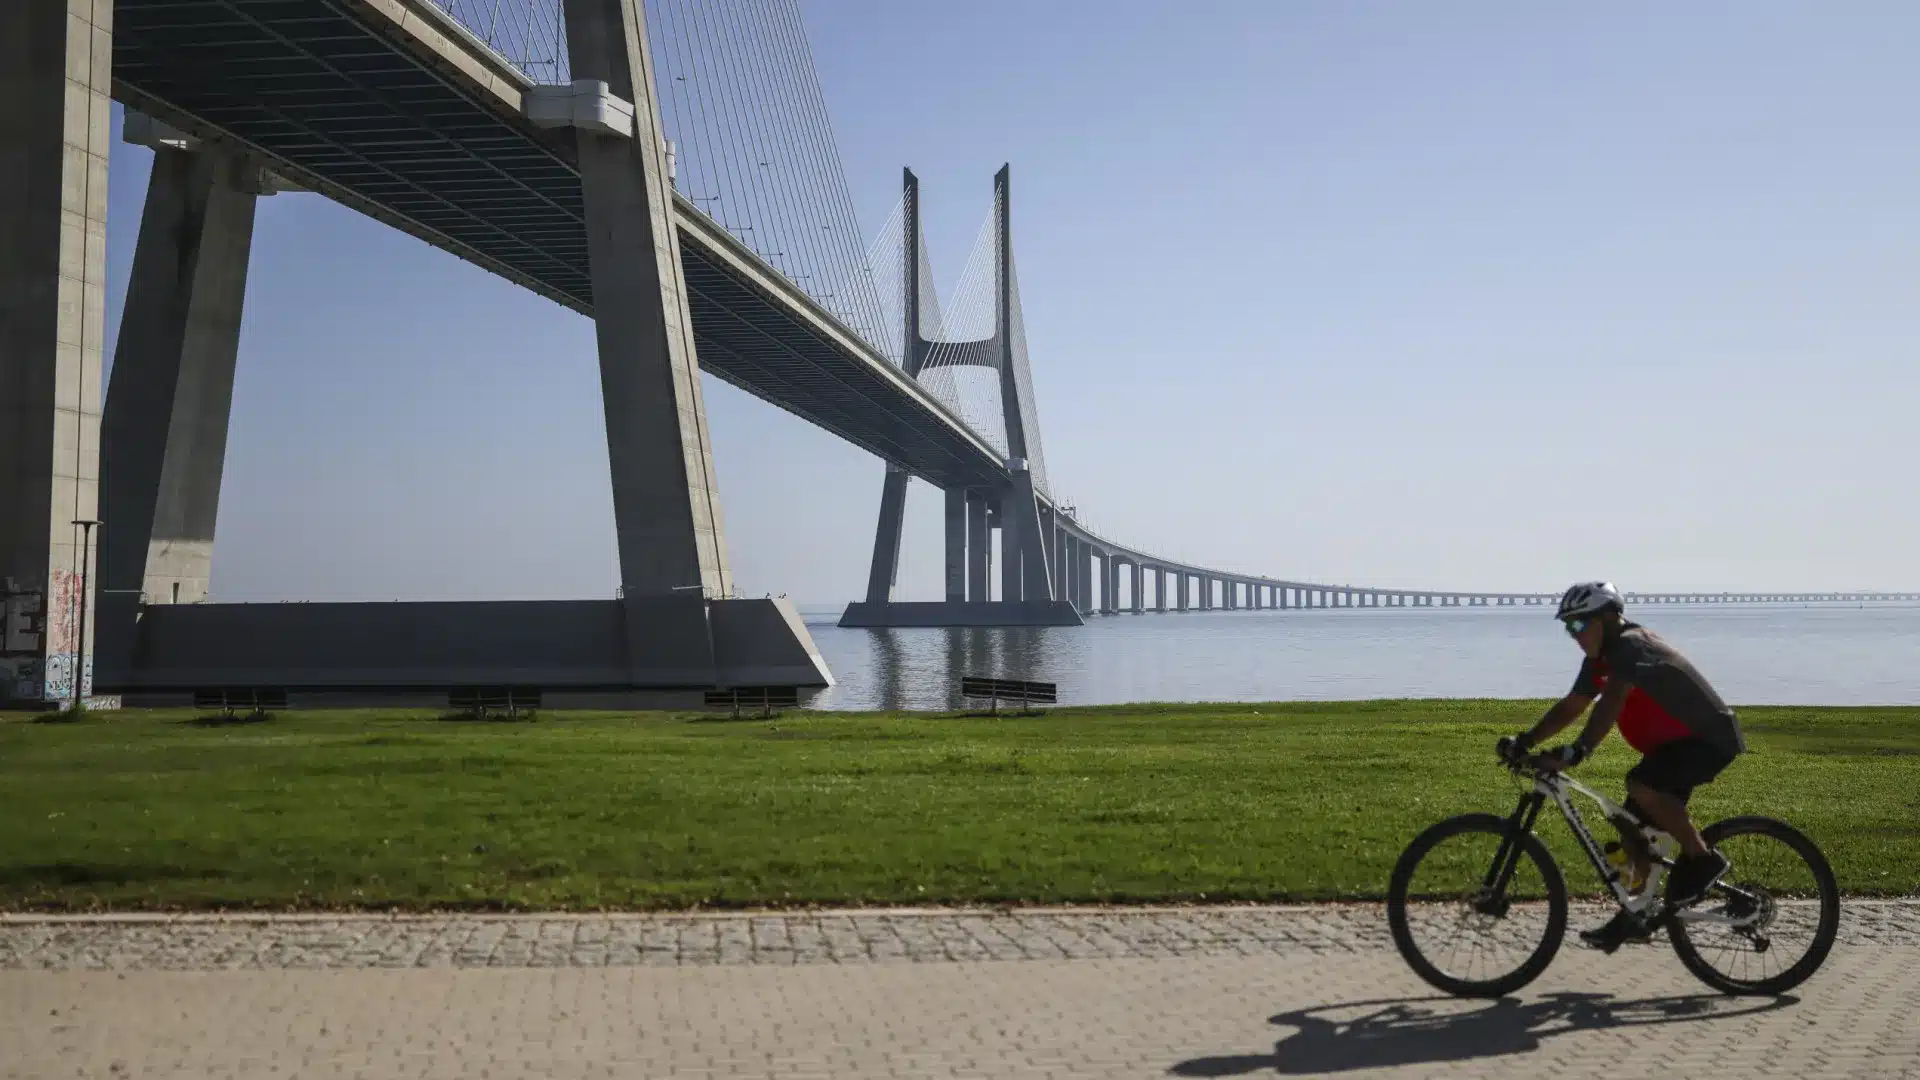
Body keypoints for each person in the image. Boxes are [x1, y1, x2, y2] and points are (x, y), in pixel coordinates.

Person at [1510, 581, 1746, 952]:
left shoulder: (1631, 647)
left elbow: (1611, 702)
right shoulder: (1600, 659)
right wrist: (1526, 741)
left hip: (1708, 739)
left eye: (1578, 625)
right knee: (1630, 827)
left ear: (1607, 618)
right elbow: (1573, 705)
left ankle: (1703, 861)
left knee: (1643, 785)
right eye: (1567, 628)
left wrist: (1579, 750)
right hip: (1673, 747)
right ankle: (1635, 914)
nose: (1574, 635)